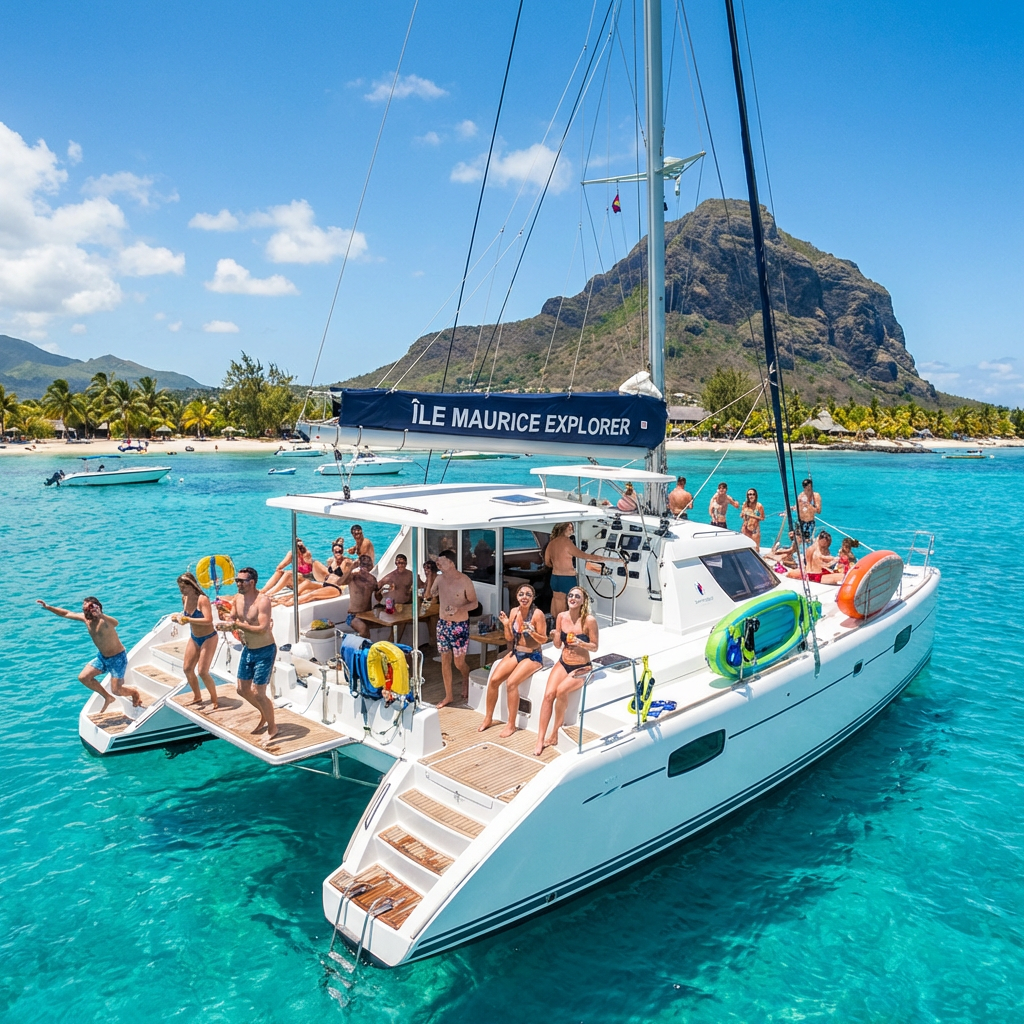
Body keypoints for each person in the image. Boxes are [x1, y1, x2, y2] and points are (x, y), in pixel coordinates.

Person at [37, 596, 143, 711]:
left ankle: (134, 693)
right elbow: (66, 613)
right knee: (84, 677)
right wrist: (48, 607)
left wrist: (101, 614)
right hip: (102, 658)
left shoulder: (104, 621)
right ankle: (108, 697)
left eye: (88, 608)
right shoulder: (86, 619)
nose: (85, 610)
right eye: (84, 607)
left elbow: (115, 623)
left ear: (97, 609)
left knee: (117, 690)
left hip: (117, 658)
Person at [215, 567, 278, 741]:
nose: (238, 584)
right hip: (248, 649)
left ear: (252, 582)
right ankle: (264, 713)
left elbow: (262, 628)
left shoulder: (262, 601)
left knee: (258, 692)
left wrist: (238, 626)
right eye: (237, 580)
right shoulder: (237, 599)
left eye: (241, 581)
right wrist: (226, 619)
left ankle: (273, 728)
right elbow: (233, 617)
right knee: (242, 689)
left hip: (265, 650)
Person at [534, 587, 599, 756]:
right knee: (548, 695)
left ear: (583, 601)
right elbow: (557, 645)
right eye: (570, 595)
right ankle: (540, 739)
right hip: (564, 662)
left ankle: (555, 731)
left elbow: (595, 646)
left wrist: (580, 643)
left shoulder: (589, 621)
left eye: (577, 596)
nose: (573, 598)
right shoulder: (561, 617)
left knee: (561, 690)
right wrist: (555, 635)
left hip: (582, 666)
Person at [478, 584, 547, 738]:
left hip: (533, 656)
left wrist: (532, 632)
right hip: (517, 652)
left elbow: (543, 639)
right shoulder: (514, 612)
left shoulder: (537, 615)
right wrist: (506, 625)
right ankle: (488, 718)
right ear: (517, 597)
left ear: (532, 598)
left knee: (511, 683)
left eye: (528, 594)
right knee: (494, 680)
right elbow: (509, 638)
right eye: (521, 594)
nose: (524, 597)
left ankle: (511, 724)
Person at [543, 522, 618, 619]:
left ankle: (555, 624)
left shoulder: (551, 543)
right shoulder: (566, 542)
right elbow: (585, 556)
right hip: (567, 578)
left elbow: (547, 562)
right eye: (570, 528)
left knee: (556, 600)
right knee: (573, 603)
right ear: (565, 529)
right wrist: (613, 559)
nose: (572, 531)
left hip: (555, 577)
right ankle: (565, 626)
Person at [432, 550, 477, 708]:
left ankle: (466, 676)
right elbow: (430, 594)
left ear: (451, 563)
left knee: (459, 663)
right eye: (437, 562)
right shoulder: (439, 578)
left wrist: (459, 609)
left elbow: (474, 603)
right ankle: (448, 696)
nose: (438, 564)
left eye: (441, 562)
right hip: (443, 624)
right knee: (445, 660)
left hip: (459, 626)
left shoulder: (464, 580)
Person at [172, 572, 219, 707]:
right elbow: (185, 615)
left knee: (203, 672)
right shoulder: (184, 598)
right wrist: (178, 618)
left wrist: (189, 619)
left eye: (184, 587)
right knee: (187, 669)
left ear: (192, 586)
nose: (182, 590)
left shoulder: (202, 599)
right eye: (180, 587)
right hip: (195, 637)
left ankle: (214, 699)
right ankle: (197, 696)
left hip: (208, 638)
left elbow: (208, 619)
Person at [338, 553, 378, 638]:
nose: (365, 567)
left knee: (391, 624)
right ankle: (363, 649)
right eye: (363, 564)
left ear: (371, 566)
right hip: (354, 616)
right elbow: (340, 582)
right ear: (359, 564)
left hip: (368, 615)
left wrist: (385, 589)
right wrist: (351, 567)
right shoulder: (353, 577)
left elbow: (378, 596)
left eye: (368, 564)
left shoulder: (372, 580)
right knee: (363, 630)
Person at [796, 477, 822, 542]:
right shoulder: (800, 496)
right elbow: (797, 508)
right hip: (800, 522)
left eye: (809, 488)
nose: (808, 490)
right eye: (806, 488)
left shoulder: (815, 496)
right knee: (797, 541)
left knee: (808, 541)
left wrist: (809, 505)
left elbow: (818, 511)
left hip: (809, 522)